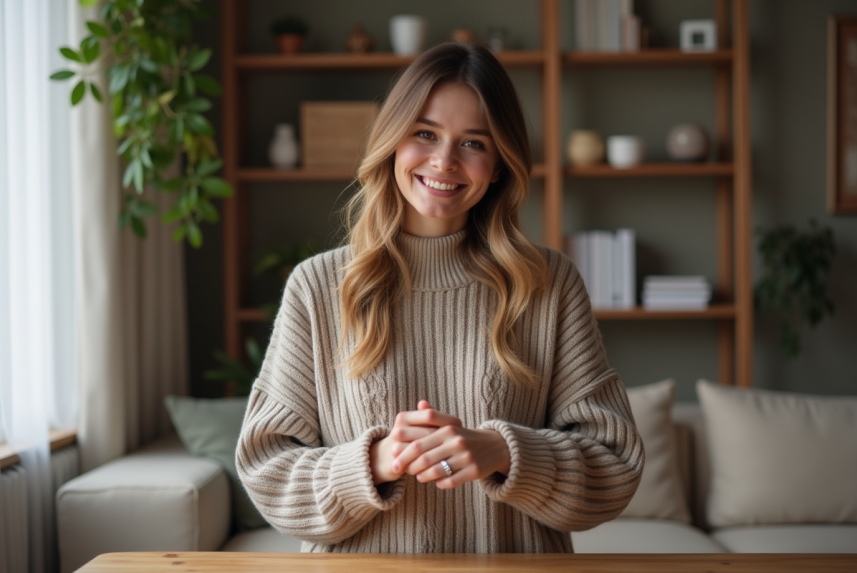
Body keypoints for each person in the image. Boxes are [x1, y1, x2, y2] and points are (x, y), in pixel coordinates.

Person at [236, 41, 644, 553]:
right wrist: (377, 462)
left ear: (498, 164)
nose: (444, 161)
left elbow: (614, 467)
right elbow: (266, 470)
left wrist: (503, 452)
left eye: (473, 143)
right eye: (424, 133)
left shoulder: (549, 283)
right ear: (392, 142)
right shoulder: (318, 287)